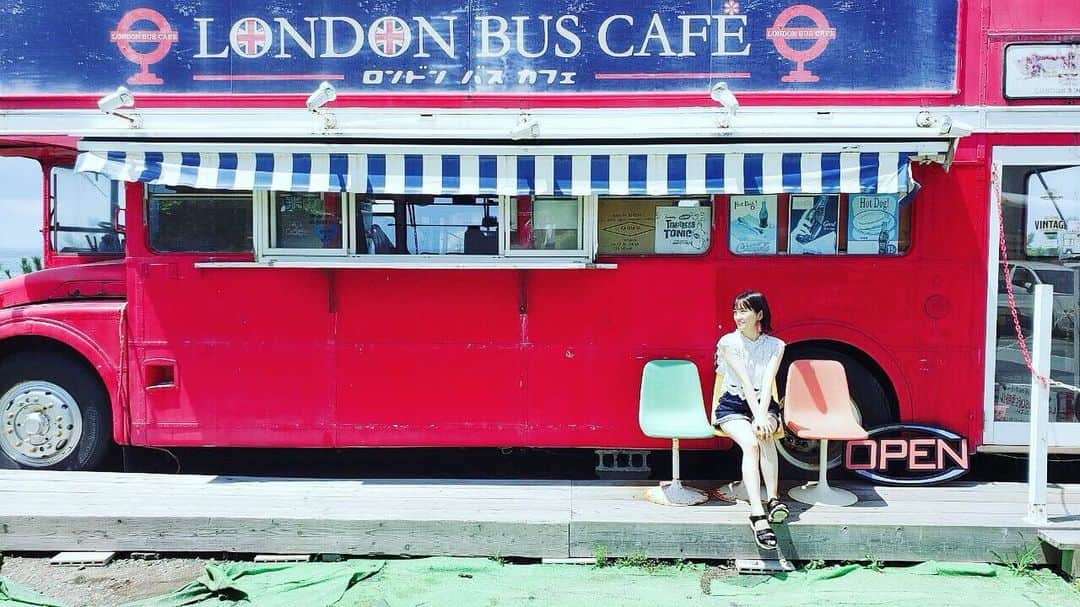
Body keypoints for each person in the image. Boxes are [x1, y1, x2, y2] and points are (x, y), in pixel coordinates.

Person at [714, 290, 788, 550]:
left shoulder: (776, 346)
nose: (737, 316)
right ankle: (757, 514)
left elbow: (767, 384)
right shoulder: (728, 343)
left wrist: (763, 416)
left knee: (765, 436)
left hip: (763, 404)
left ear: (759, 314)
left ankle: (774, 500)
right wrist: (757, 417)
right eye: (735, 310)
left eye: (744, 310)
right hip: (732, 404)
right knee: (752, 444)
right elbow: (745, 383)